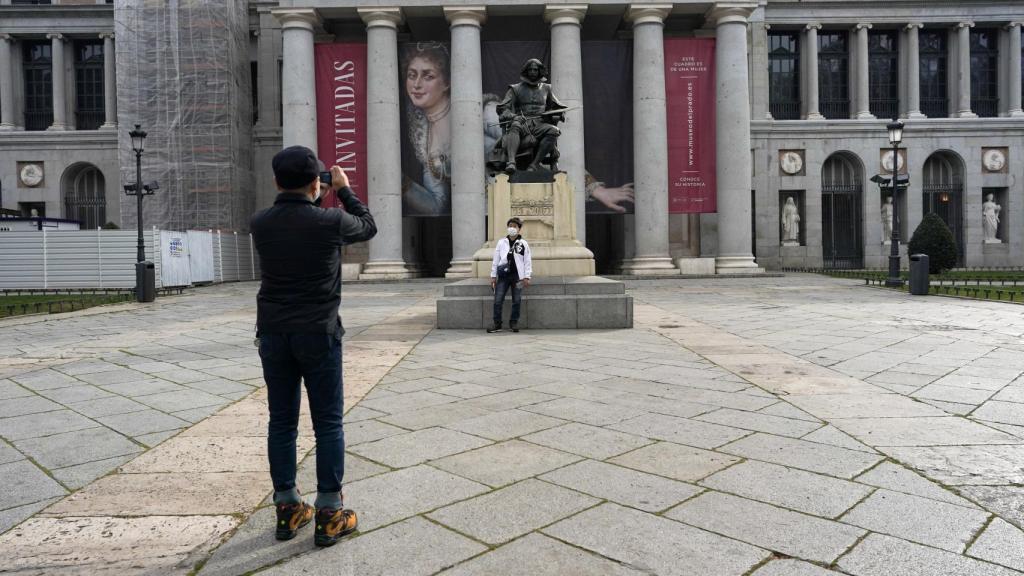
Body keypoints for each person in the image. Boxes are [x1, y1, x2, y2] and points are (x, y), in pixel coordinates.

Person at [250, 145, 376, 547]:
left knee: (282, 422)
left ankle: (287, 507)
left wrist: (317, 193)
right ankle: (328, 512)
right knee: (328, 423)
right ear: (316, 182)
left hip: (273, 333)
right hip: (318, 333)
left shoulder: (260, 223)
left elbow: (297, 216)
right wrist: (344, 189)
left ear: (274, 180)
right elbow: (367, 225)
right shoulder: (331, 220)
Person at [401, 42, 453, 216]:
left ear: (446, 82)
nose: (416, 84)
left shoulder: (485, 112)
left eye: (428, 76)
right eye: (411, 75)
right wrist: (401, 182)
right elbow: (436, 206)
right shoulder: (425, 145)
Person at [491, 59, 566, 174]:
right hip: (522, 122)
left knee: (554, 131)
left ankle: (534, 165)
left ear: (539, 71)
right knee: (515, 125)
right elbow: (503, 108)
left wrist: (558, 114)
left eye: (535, 69)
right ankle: (511, 163)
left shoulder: (547, 88)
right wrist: (513, 116)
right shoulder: (515, 88)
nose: (532, 72)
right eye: (530, 69)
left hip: (540, 124)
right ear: (526, 71)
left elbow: (558, 107)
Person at [488, 217, 532, 333]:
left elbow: (527, 261)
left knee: (516, 300)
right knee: (498, 300)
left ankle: (513, 322)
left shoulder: (523, 244)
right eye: (510, 226)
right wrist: (493, 276)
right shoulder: (501, 242)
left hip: (518, 277)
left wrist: (527, 276)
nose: (512, 228)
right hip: (503, 276)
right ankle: (497, 324)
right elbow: (496, 260)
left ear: (519, 229)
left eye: (514, 226)